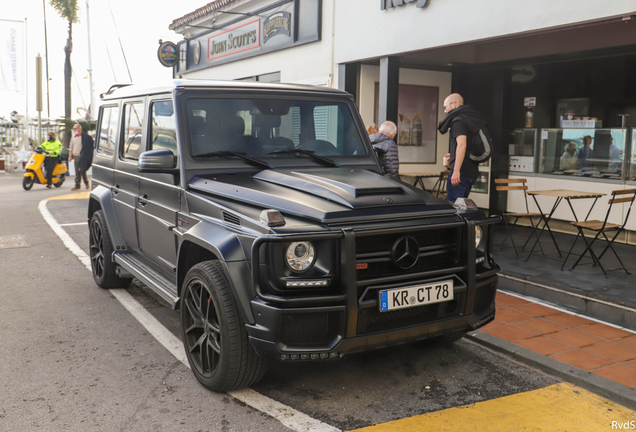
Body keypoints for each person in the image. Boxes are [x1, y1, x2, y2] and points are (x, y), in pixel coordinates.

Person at [437, 93, 482, 203]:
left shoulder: (458, 120)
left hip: (460, 172)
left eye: (445, 107)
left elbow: (462, 144)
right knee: (462, 206)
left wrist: (456, 171)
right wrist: (453, 155)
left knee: (454, 206)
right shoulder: (471, 118)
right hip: (471, 170)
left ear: (454, 105)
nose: (445, 111)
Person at [68, 123, 94, 190]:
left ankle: (86, 182)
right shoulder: (73, 138)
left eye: (75, 128)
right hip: (76, 156)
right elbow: (71, 148)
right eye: (73, 128)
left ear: (79, 129)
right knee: (77, 171)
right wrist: (70, 156)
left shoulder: (85, 137)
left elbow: (90, 146)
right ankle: (77, 185)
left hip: (83, 156)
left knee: (82, 170)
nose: (74, 129)